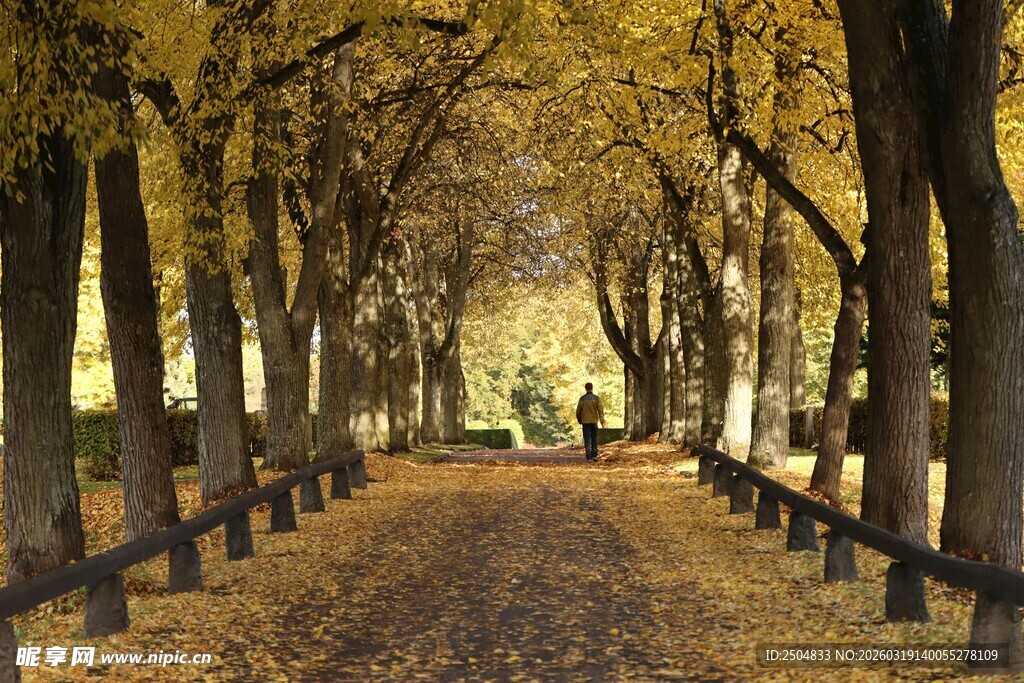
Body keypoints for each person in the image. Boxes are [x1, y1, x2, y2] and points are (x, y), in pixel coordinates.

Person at [575, 382, 605, 461]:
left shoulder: (582, 399)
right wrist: (602, 421)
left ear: (585, 388)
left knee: (587, 439)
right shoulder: (596, 398)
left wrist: (579, 420)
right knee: (594, 438)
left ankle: (588, 456)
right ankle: (594, 455)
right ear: (592, 388)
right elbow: (600, 410)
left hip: (585, 422)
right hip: (594, 421)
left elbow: (578, 411)